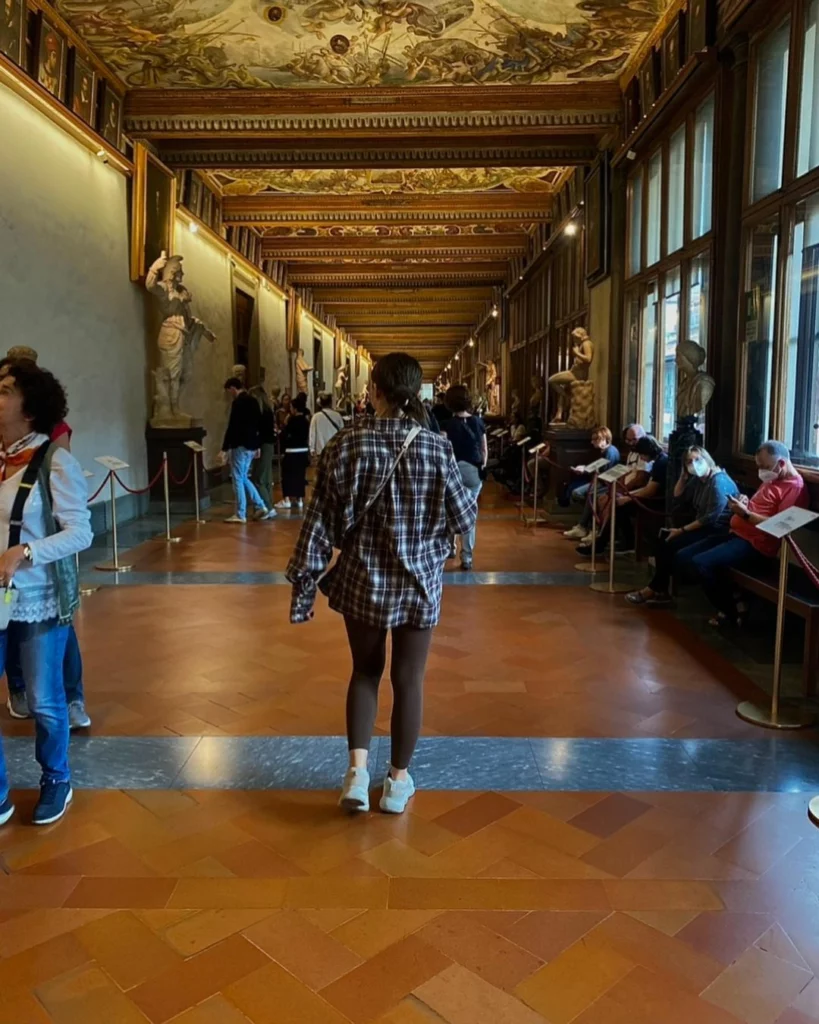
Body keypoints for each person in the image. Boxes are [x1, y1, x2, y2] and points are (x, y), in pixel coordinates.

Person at [286, 352, 477, 815]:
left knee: (365, 673)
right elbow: (463, 516)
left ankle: (355, 776)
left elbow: (320, 520)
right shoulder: (436, 448)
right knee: (409, 679)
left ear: (375, 391)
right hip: (418, 583)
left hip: (362, 581)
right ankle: (396, 783)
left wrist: (305, 579)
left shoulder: (347, 443)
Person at [0, 363, 93, 826]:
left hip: (37, 597)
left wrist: (25, 551)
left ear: (30, 407)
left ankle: (56, 778)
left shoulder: (55, 460)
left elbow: (81, 532)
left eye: (4, 391)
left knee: (43, 701)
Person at [687, 440, 809, 626]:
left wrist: (745, 513)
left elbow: (779, 526)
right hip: (736, 533)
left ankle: (730, 611)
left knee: (702, 563)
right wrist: (745, 502)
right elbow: (760, 506)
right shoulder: (772, 479)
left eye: (765, 466)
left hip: (756, 545)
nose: (762, 471)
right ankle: (736, 600)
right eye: (758, 466)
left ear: (782, 464)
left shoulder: (795, 488)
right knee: (688, 554)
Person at [626, 446, 739, 606]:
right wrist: (683, 477)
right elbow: (678, 496)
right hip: (702, 527)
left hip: (717, 531)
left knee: (673, 548)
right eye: (689, 462)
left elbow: (711, 517)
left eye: (697, 460)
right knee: (663, 541)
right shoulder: (700, 480)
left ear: (706, 459)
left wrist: (681, 530)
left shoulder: (718, 481)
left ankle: (656, 589)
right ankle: (659, 589)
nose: (694, 464)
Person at [577, 433, 667, 556]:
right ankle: (611, 541)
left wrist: (628, 498)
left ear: (647, 451)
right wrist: (628, 494)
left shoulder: (661, 463)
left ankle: (603, 543)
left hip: (655, 502)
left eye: (641, 454)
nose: (641, 458)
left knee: (619, 506)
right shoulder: (659, 461)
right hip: (649, 498)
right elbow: (648, 488)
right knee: (617, 503)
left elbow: (650, 491)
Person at [442, 384, 487, 570]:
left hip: (453, 472)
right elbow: (484, 450)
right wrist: (481, 467)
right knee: (469, 512)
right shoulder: (478, 422)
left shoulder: (446, 425)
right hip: (473, 472)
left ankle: (450, 547)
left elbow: (444, 450)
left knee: (450, 510)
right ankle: (467, 557)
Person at [220, 377, 273, 524]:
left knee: (237, 478)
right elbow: (258, 425)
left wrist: (225, 448)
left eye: (229, 391)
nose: (229, 394)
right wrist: (257, 446)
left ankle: (241, 513)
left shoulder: (238, 402)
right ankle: (260, 505)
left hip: (240, 444)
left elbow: (233, 426)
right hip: (251, 445)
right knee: (243, 477)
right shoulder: (254, 401)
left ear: (233, 388)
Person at [563, 426, 620, 542]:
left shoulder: (610, 452)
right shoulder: (606, 451)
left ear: (605, 439)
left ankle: (586, 525)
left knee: (586, 495)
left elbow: (604, 472)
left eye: (595, 439)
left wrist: (585, 470)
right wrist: (585, 469)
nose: (592, 442)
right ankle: (587, 524)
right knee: (578, 493)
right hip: (601, 482)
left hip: (607, 485)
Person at [277, 392, 311, 510]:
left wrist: (284, 426)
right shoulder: (305, 421)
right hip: (302, 451)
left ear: (295, 409)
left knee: (288, 475)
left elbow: (284, 436)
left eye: (291, 407)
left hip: (291, 451)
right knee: (300, 476)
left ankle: (287, 499)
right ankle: (300, 498)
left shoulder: (291, 421)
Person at [248, 385, 278, 513]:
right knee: (266, 478)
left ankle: (266, 507)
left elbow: (258, 432)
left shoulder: (260, 412)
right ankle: (268, 503)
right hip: (269, 445)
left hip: (262, 446)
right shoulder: (269, 411)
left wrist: (256, 446)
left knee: (259, 478)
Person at [310, 392, 344, 458]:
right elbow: (342, 432)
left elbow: (312, 434)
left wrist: (312, 449)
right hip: (334, 449)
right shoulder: (337, 415)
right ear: (330, 403)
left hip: (320, 450)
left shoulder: (316, 417)